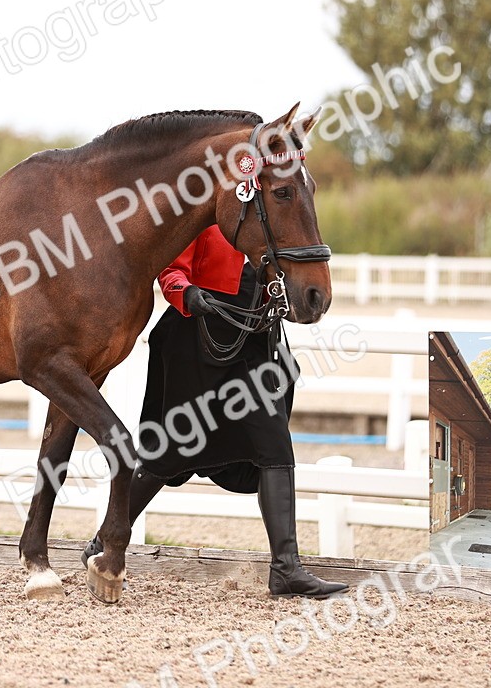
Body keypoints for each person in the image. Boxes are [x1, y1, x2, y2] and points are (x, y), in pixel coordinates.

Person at [83, 225, 347, 598]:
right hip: (198, 339)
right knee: (168, 455)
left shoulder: (270, 216)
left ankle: (286, 568)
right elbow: (170, 272)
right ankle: (103, 545)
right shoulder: (207, 212)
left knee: (275, 447)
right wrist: (188, 295)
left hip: (253, 340)